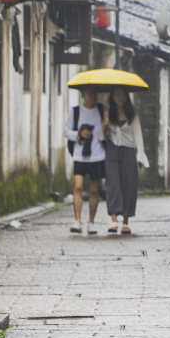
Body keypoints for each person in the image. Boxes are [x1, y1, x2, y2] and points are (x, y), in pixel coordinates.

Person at [102, 87, 149, 235]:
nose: (120, 98)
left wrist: (140, 156)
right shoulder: (107, 114)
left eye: (122, 95)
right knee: (113, 184)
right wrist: (105, 131)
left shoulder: (132, 114)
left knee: (129, 185)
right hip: (112, 150)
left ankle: (126, 222)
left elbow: (138, 136)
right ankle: (114, 220)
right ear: (112, 97)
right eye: (117, 95)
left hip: (128, 151)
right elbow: (101, 136)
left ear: (126, 97)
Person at [64, 87, 106, 235]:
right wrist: (79, 135)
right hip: (79, 155)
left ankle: (91, 222)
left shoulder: (102, 110)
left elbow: (107, 131)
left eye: (94, 93)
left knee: (95, 190)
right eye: (89, 93)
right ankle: (77, 220)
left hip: (97, 155)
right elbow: (66, 130)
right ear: (83, 95)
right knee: (78, 187)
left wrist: (105, 128)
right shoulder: (75, 111)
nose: (92, 96)